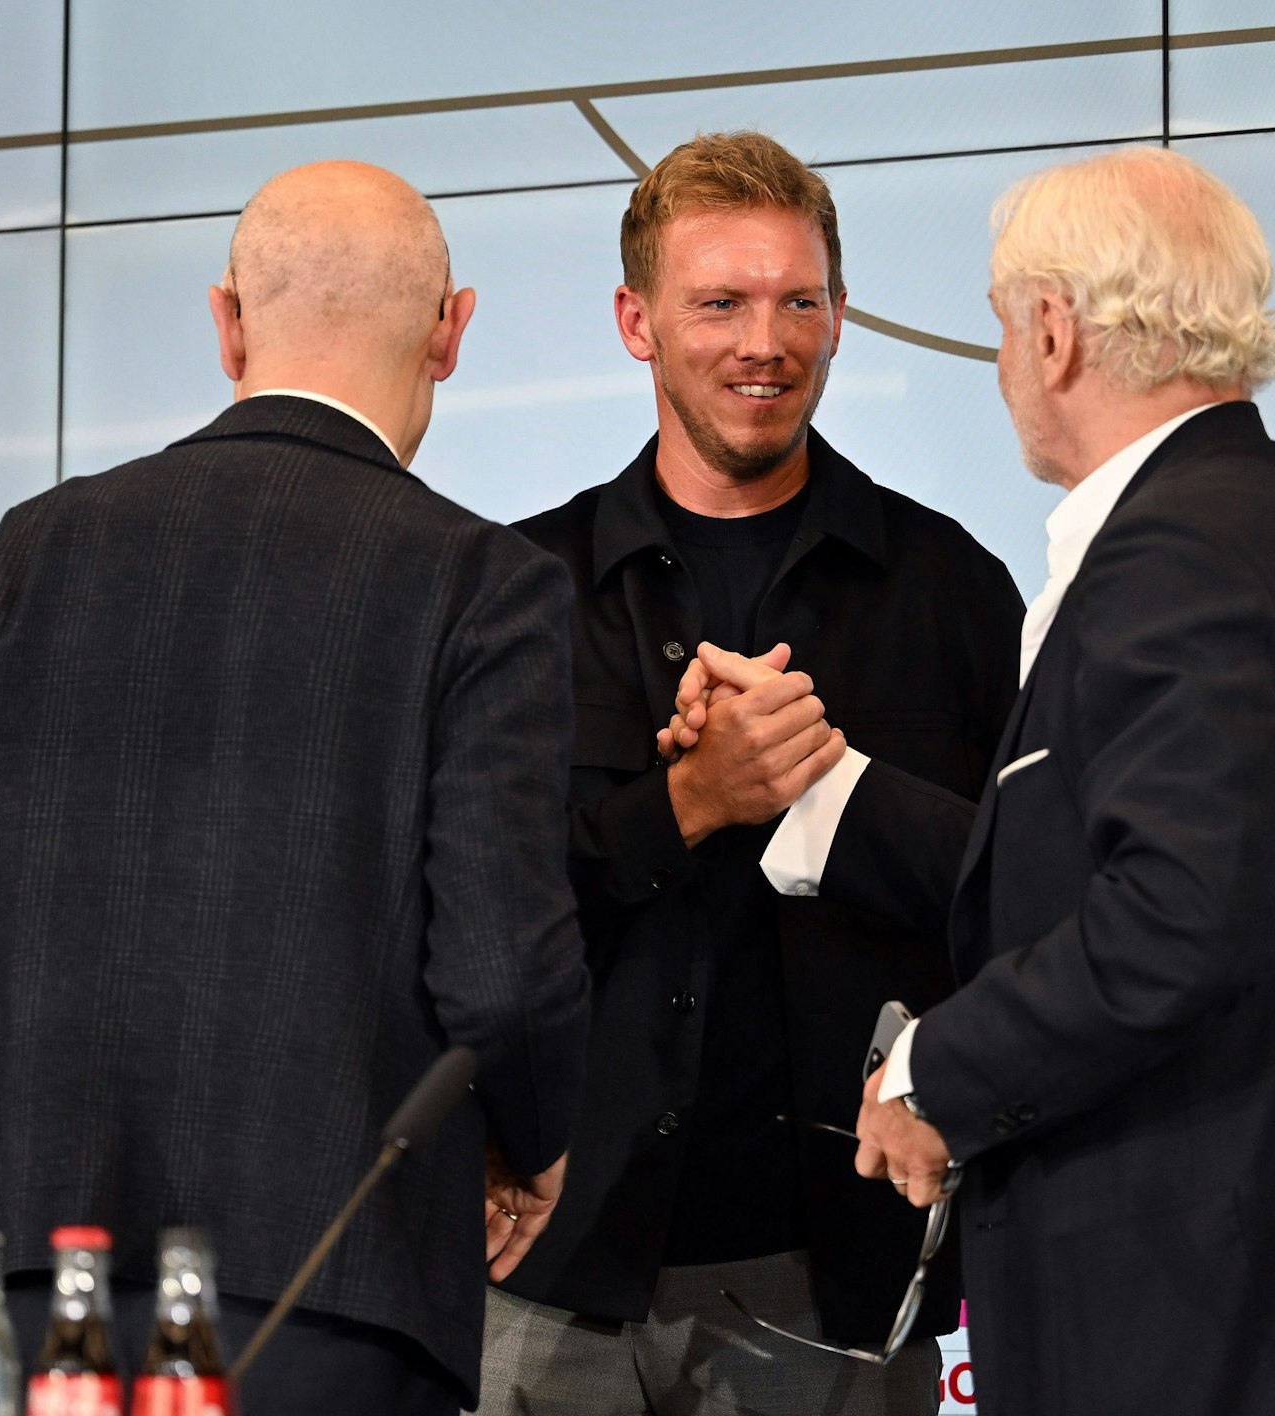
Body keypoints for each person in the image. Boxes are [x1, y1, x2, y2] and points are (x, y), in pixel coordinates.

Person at [672, 146, 1275, 1414]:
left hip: (1220, 1327)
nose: (1003, 363)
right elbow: (1116, 874)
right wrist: (829, 788)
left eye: (1003, 326)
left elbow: (1176, 917)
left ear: (1052, 331)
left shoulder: (1174, 559)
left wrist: (933, 1071)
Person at [0, 161, 591, 1416]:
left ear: (228, 321)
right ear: (451, 332)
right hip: (329, 1305)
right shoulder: (485, 584)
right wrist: (532, 1142)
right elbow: (504, 977)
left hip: (19, 1302)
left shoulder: (42, 549)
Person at [481, 132, 1024, 1416]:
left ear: (839, 316)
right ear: (637, 321)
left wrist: (836, 791)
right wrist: (684, 803)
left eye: (798, 301)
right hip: (546, 1272)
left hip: (836, 1285)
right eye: (719, 301)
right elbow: (461, 908)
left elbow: (1017, 895)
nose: (763, 342)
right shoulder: (515, 594)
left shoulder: (948, 589)